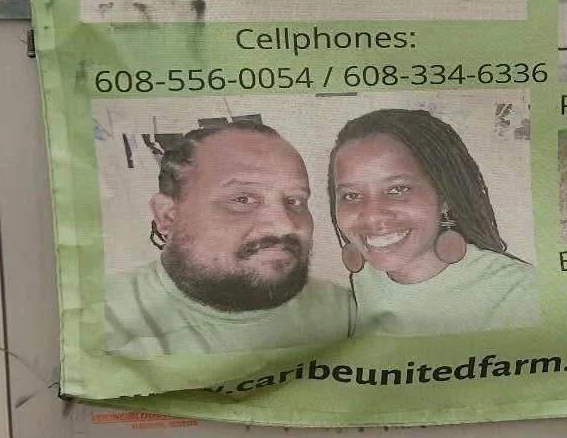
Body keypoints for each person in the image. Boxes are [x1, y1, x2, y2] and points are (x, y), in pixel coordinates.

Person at [104, 122, 356, 357]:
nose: (285, 224)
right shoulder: (101, 322)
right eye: (243, 199)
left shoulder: (347, 315)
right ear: (168, 216)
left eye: (295, 201)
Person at [328, 107, 539, 335]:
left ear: (445, 196)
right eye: (351, 196)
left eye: (397, 189)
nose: (371, 215)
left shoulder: (524, 295)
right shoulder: (366, 281)